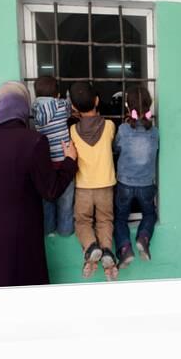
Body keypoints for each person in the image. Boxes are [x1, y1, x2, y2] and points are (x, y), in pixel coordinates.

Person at [0, 81, 78, 288]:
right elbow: (51, 190)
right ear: (24, 107)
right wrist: (70, 162)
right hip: (18, 231)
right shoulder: (34, 141)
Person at [69, 82, 118, 280]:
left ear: (73, 107)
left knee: (82, 222)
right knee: (105, 220)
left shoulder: (72, 130)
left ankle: (91, 246)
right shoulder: (109, 126)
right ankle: (106, 250)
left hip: (83, 187)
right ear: (97, 101)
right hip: (106, 185)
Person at [113, 85, 159, 269]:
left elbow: (116, 148)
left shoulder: (123, 129)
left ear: (126, 105)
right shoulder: (154, 132)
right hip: (147, 184)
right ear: (150, 106)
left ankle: (125, 248)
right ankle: (143, 236)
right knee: (149, 214)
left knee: (120, 218)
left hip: (124, 183)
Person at [31, 76, 75, 237]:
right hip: (64, 160)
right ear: (56, 94)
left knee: (47, 199)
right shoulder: (60, 105)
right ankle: (65, 230)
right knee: (66, 200)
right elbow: (71, 105)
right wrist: (69, 94)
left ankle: (48, 229)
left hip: (45, 163)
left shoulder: (34, 108)